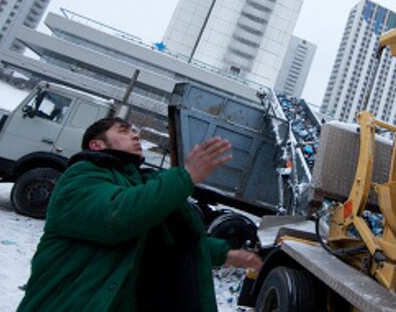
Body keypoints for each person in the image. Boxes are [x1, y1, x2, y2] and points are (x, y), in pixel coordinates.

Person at [18, 117, 262, 312]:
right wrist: (185, 176)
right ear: (96, 144)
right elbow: (117, 217)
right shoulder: (80, 176)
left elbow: (168, 243)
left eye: (134, 131)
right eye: (123, 131)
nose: (135, 134)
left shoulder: (138, 184)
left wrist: (226, 253)